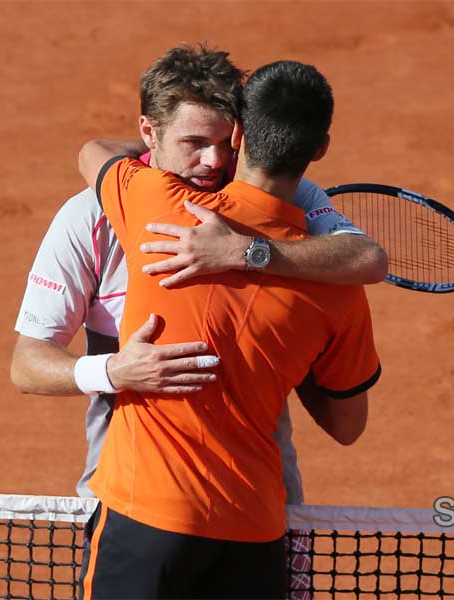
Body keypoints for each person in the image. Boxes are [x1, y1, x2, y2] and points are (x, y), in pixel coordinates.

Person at [10, 45, 387, 505]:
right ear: (149, 132)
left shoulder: (283, 196)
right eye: (193, 143)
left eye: (223, 143)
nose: (213, 162)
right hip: (128, 497)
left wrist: (247, 252)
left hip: (258, 500)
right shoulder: (89, 216)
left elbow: (366, 257)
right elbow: (27, 363)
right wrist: (112, 370)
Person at [77, 60, 381, 598]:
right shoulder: (340, 285)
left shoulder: (159, 206)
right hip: (253, 531)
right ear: (320, 149)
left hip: (145, 516)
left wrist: (158, 138)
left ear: (236, 134)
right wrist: (288, 352)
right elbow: (347, 424)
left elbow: (93, 152)